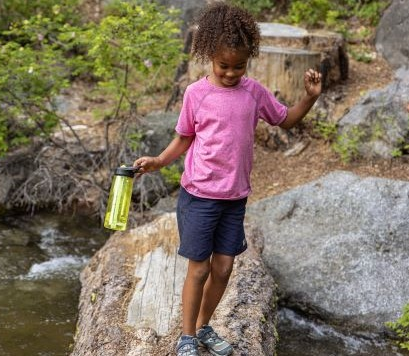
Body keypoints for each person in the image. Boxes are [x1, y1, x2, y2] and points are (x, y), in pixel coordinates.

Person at [134, 2, 322, 355]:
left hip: (234, 197)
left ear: (248, 60)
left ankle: (204, 327)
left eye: (239, 66)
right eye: (224, 66)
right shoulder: (196, 94)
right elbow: (185, 137)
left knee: (223, 268)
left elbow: (285, 120)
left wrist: (309, 99)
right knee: (200, 269)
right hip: (200, 195)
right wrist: (159, 161)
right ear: (209, 57)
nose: (232, 73)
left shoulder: (254, 92)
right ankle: (186, 336)